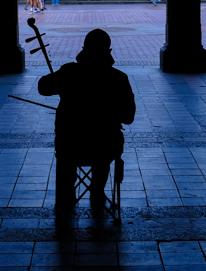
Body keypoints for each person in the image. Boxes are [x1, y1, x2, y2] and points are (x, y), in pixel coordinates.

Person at [38, 29, 135, 215]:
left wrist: (60, 80)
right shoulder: (119, 78)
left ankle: (67, 196)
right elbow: (129, 117)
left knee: (68, 150)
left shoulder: (68, 72)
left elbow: (42, 88)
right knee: (104, 150)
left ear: (84, 49)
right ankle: (97, 192)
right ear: (108, 51)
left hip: (70, 145)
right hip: (105, 147)